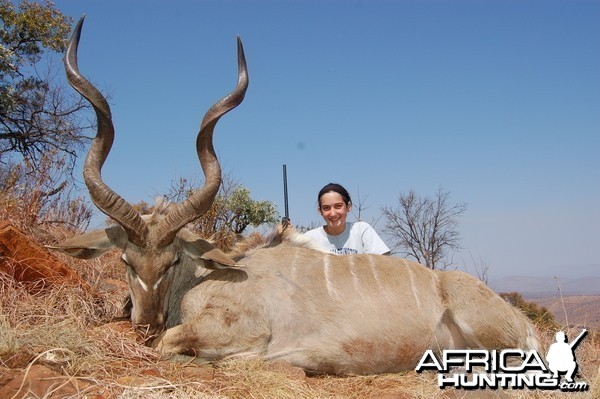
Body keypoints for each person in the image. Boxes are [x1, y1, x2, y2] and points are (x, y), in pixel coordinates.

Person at [304, 183, 390, 255]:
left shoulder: (362, 230)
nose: (333, 213)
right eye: (326, 208)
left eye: (338, 206)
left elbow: (382, 263)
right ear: (320, 211)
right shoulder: (309, 239)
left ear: (348, 207)